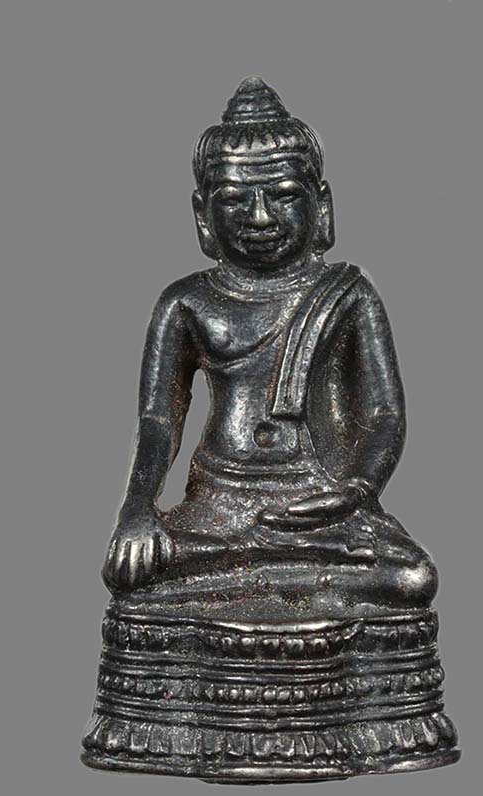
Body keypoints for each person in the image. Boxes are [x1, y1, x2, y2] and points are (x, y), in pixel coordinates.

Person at [102, 78, 437, 608]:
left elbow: (383, 416)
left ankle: (253, 571)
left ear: (321, 205)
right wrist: (137, 509)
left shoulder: (349, 294)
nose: (259, 217)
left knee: (411, 578)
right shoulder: (186, 302)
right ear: (202, 214)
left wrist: (355, 492)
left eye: (283, 196)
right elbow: (158, 420)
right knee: (131, 573)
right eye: (235, 200)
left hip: (320, 500)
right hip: (218, 503)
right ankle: (272, 572)